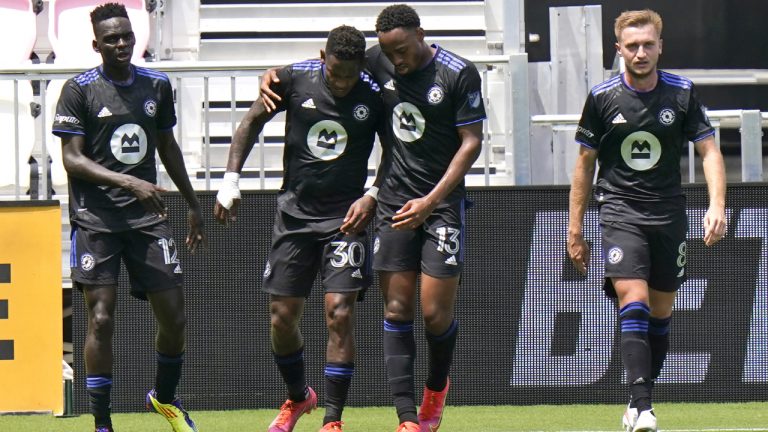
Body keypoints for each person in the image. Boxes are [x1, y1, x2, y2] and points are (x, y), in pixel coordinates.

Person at [262, 5, 486, 431]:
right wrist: (273, 74)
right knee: (397, 309)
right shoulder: (375, 57)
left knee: (435, 313)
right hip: (393, 203)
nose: (395, 59)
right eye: (388, 51)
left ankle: (436, 388)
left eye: (402, 49)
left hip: (440, 204)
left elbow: (471, 143)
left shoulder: (459, 73)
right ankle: (406, 419)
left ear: (421, 34)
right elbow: (321, 63)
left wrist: (431, 198)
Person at [214, 25, 385, 432]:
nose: (342, 83)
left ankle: (332, 419)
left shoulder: (374, 93)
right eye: (335, 73)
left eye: (350, 75)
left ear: (362, 65)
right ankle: (298, 396)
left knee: (339, 313)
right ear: (322, 58)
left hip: (346, 219)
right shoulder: (292, 79)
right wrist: (230, 179)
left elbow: (395, 152)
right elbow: (252, 122)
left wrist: (373, 194)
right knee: (281, 317)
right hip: (294, 216)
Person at [568, 9, 726, 432]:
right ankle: (643, 407)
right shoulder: (602, 98)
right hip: (620, 210)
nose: (640, 52)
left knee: (659, 313)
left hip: (669, 214)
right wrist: (575, 226)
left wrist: (716, 205)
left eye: (648, 44)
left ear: (660, 46)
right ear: (618, 49)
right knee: (632, 299)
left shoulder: (682, 93)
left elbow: (709, 151)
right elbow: (584, 165)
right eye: (632, 46)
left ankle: (638, 401)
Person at [51, 3, 204, 432]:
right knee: (100, 317)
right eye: (112, 38)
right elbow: (72, 160)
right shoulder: (78, 90)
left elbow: (167, 146)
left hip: (148, 220)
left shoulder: (156, 85)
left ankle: (166, 398)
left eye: (127, 36)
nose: (121, 44)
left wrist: (191, 204)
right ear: (96, 44)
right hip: (96, 219)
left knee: (174, 317)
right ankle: (102, 421)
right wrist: (129, 182)